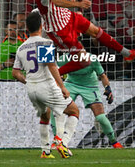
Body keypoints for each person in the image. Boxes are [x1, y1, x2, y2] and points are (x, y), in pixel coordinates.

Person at [12, 11, 80, 158]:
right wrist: (62, 87)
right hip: (46, 86)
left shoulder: (21, 48)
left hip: (31, 89)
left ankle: (45, 151)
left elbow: (15, 73)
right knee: (73, 110)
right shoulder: (45, 43)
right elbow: (51, 65)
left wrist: (28, 81)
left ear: (27, 28)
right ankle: (62, 141)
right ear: (41, 26)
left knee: (45, 116)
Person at [51, 52, 123, 148]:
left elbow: (102, 75)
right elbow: (54, 71)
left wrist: (108, 88)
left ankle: (113, 141)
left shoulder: (92, 59)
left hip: (90, 86)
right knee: (56, 109)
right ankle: (57, 140)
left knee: (100, 117)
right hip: (71, 84)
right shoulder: (63, 59)